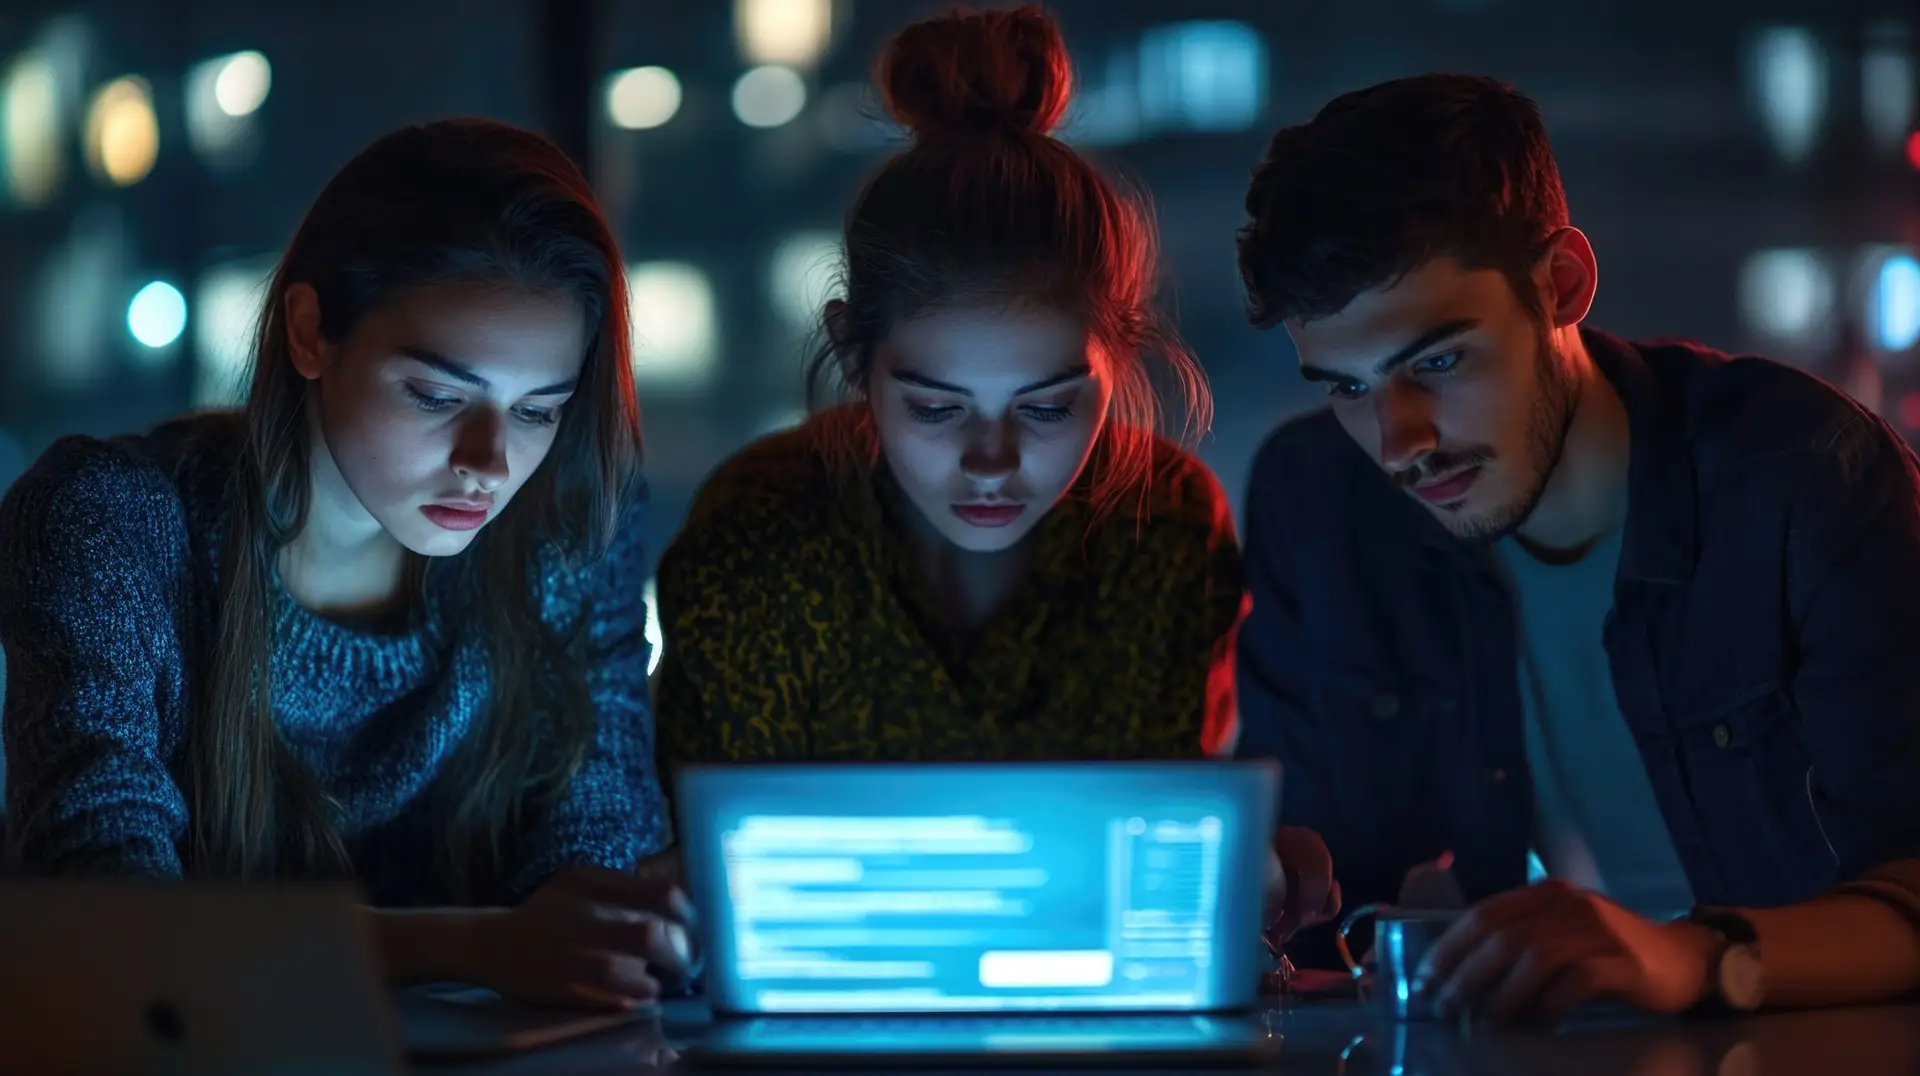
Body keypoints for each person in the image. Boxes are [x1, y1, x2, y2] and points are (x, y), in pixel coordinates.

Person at [1233, 72, 1920, 1024]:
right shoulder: (1321, 504)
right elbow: (1316, 892)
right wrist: (1271, 880)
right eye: (1347, 387)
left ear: (1562, 285)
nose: (1399, 443)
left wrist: (1692, 959)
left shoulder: (1799, 476)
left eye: (1438, 361)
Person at [651, 5, 1336, 940]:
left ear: (1120, 358)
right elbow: (727, 880)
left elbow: (1146, 850)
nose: (991, 461)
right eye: (935, 408)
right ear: (851, 355)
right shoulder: (763, 529)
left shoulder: (1163, 522)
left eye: (1046, 408)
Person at [0, 119, 694, 1010]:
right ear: (309, 331)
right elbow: (112, 911)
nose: (488, 464)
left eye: (537, 411)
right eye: (437, 395)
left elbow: (595, 857)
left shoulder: (563, 528)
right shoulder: (111, 524)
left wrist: (593, 929)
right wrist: (478, 947)